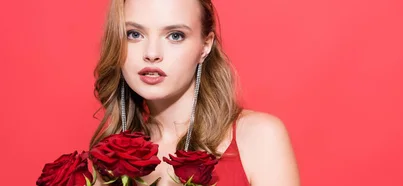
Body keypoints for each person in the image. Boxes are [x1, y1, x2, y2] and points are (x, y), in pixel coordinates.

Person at [89, 0, 300, 185]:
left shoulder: (258, 136)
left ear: (205, 46)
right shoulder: (110, 159)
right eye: (134, 34)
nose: (152, 53)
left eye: (175, 35)